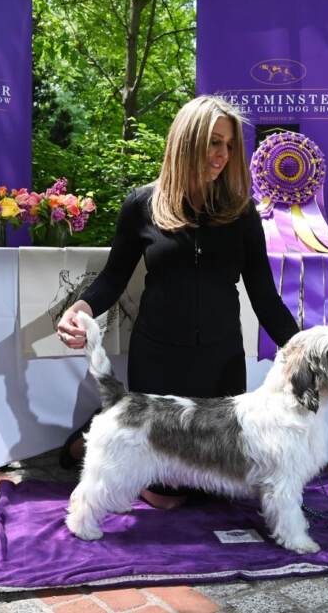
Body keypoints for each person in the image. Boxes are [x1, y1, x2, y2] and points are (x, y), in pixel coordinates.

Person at [55, 95, 299, 507]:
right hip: (159, 357)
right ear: (185, 141)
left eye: (229, 145)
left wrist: (301, 350)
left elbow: (264, 294)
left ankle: (105, 440)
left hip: (221, 364)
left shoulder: (242, 213)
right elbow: (114, 276)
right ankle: (87, 445)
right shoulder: (141, 204)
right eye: (213, 142)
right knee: (168, 494)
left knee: (214, 490)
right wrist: (79, 309)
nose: (222, 155)